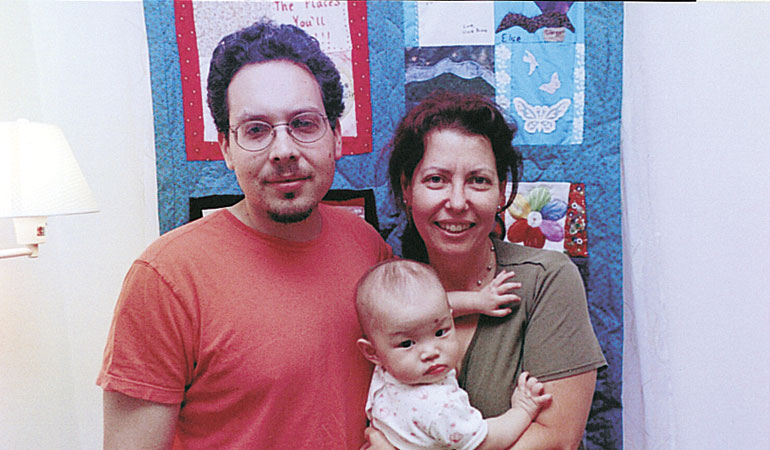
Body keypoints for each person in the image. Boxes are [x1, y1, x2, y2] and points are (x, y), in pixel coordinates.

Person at [97, 20, 392, 449]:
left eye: (304, 124)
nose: (284, 150)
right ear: (224, 148)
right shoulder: (166, 278)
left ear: (336, 138)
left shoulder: (366, 246)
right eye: (256, 130)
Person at [367, 90, 607, 449]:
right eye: (436, 179)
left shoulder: (546, 279)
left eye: (478, 180)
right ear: (407, 189)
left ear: (500, 193)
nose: (458, 202)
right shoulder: (384, 294)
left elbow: (556, 442)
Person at [355, 259, 552, 450]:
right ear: (373, 352)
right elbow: (490, 440)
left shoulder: (386, 368)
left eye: (440, 332)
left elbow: (429, 308)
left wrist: (477, 301)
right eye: (407, 344)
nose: (431, 352)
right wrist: (523, 409)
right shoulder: (441, 408)